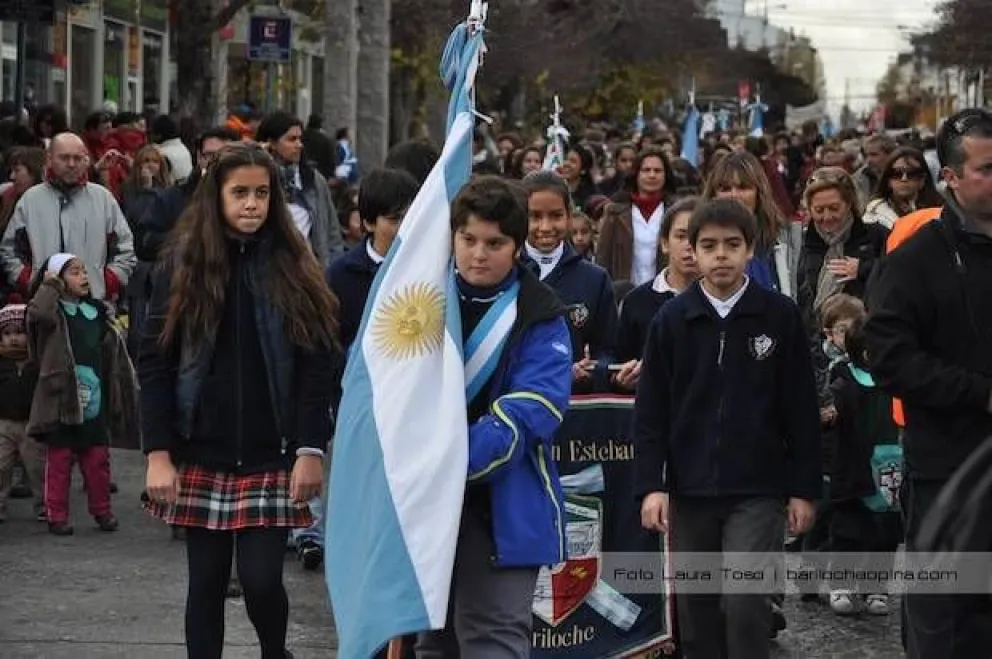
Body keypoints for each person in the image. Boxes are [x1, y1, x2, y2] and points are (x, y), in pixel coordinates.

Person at [139, 143, 341, 659]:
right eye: (240, 193)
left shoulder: (294, 265)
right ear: (216, 196)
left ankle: (277, 652)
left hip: (270, 452)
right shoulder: (181, 266)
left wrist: (310, 448)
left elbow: (319, 364)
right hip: (200, 449)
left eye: (262, 192)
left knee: (261, 580)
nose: (252, 203)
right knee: (204, 584)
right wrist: (158, 453)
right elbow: (156, 362)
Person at [634, 198, 821, 659]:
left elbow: (800, 407)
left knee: (744, 599)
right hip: (689, 489)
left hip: (757, 488)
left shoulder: (777, 316)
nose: (721, 255)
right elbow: (651, 411)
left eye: (732, 245)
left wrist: (804, 489)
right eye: (709, 245)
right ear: (691, 252)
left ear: (750, 250)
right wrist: (651, 486)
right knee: (697, 609)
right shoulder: (673, 320)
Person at [415, 176, 572, 658]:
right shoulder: (417, 300)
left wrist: (444, 462)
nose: (479, 253)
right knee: (431, 644)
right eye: (468, 239)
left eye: (495, 243)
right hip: (421, 502)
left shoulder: (542, 316)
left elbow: (531, 411)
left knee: (493, 640)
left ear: (517, 246)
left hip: (502, 503)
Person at [864, 108, 992, 658]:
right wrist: (979, 392)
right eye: (988, 168)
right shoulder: (915, 259)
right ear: (952, 179)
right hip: (947, 472)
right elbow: (890, 359)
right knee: (945, 622)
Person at [26, 253, 138, 535]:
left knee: (98, 459)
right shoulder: (54, 313)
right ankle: (57, 515)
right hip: (63, 397)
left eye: (84, 271)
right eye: (74, 272)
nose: (84, 277)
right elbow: (37, 313)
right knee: (60, 461)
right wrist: (49, 286)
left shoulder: (96, 311)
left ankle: (102, 511)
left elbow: (111, 348)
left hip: (95, 395)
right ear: (57, 278)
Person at [0, 132, 136, 303]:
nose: (71, 164)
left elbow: (125, 249)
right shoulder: (31, 200)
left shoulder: (103, 199)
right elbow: (10, 250)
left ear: (85, 160)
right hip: (43, 305)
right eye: (64, 158)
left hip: (93, 306)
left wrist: (105, 282)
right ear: (49, 159)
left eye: (77, 158)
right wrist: (29, 280)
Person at [519, 171, 616, 392]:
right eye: (534, 216)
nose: (545, 227)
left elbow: (608, 352)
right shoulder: (505, 271)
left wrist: (590, 372)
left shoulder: (595, 279)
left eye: (555, 216)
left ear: (569, 217)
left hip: (573, 407)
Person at [613, 197, 700, 386]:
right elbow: (616, 365)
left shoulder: (721, 301)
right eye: (681, 236)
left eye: (697, 236)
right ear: (665, 243)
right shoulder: (636, 301)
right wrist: (622, 380)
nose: (689, 245)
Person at [255, 111, 345, 269]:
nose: (299, 145)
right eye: (291, 139)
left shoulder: (314, 180)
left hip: (311, 271)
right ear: (271, 143)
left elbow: (332, 232)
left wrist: (332, 271)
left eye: (300, 139)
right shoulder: (256, 179)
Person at [0, 303, 43, 522]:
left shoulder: (36, 362)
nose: (13, 338)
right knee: (1, 466)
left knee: (37, 468)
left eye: (19, 332)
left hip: (31, 423)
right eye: (7, 334)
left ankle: (44, 505)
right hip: (3, 424)